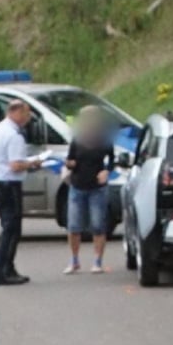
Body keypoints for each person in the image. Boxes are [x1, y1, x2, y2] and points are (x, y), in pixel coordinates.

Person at [0, 99, 42, 286]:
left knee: (9, 227)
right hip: (8, 185)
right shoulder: (14, 135)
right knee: (11, 230)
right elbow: (16, 165)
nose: (27, 118)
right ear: (16, 113)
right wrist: (33, 163)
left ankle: (7, 268)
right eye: (26, 114)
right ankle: (3, 270)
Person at [63, 105, 115, 274]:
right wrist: (70, 164)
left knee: (98, 225)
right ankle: (74, 260)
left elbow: (112, 160)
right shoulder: (77, 140)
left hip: (97, 188)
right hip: (77, 186)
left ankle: (97, 261)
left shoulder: (104, 140)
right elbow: (70, 160)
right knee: (74, 226)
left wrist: (106, 171)